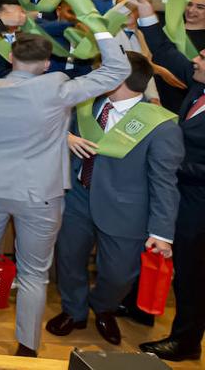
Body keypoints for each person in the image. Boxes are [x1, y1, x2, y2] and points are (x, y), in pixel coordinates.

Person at [0, 29, 130, 356]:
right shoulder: (57, 87)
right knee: (33, 272)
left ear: (11, 57)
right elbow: (118, 71)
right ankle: (27, 345)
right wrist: (102, 29)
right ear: (46, 63)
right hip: (40, 191)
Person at [46, 50, 183, 346]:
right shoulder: (86, 104)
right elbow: (50, 124)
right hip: (78, 196)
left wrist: (162, 233)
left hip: (126, 211)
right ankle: (74, 310)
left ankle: (103, 306)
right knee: (68, 260)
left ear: (118, 79)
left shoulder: (161, 126)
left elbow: (164, 183)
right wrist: (65, 137)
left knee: (120, 275)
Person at [135, 0, 205, 362]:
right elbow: (167, 54)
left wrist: (175, 165)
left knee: (193, 277)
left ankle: (186, 342)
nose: (196, 58)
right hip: (185, 199)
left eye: (204, 57)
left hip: (199, 208)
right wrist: (146, 11)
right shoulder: (200, 86)